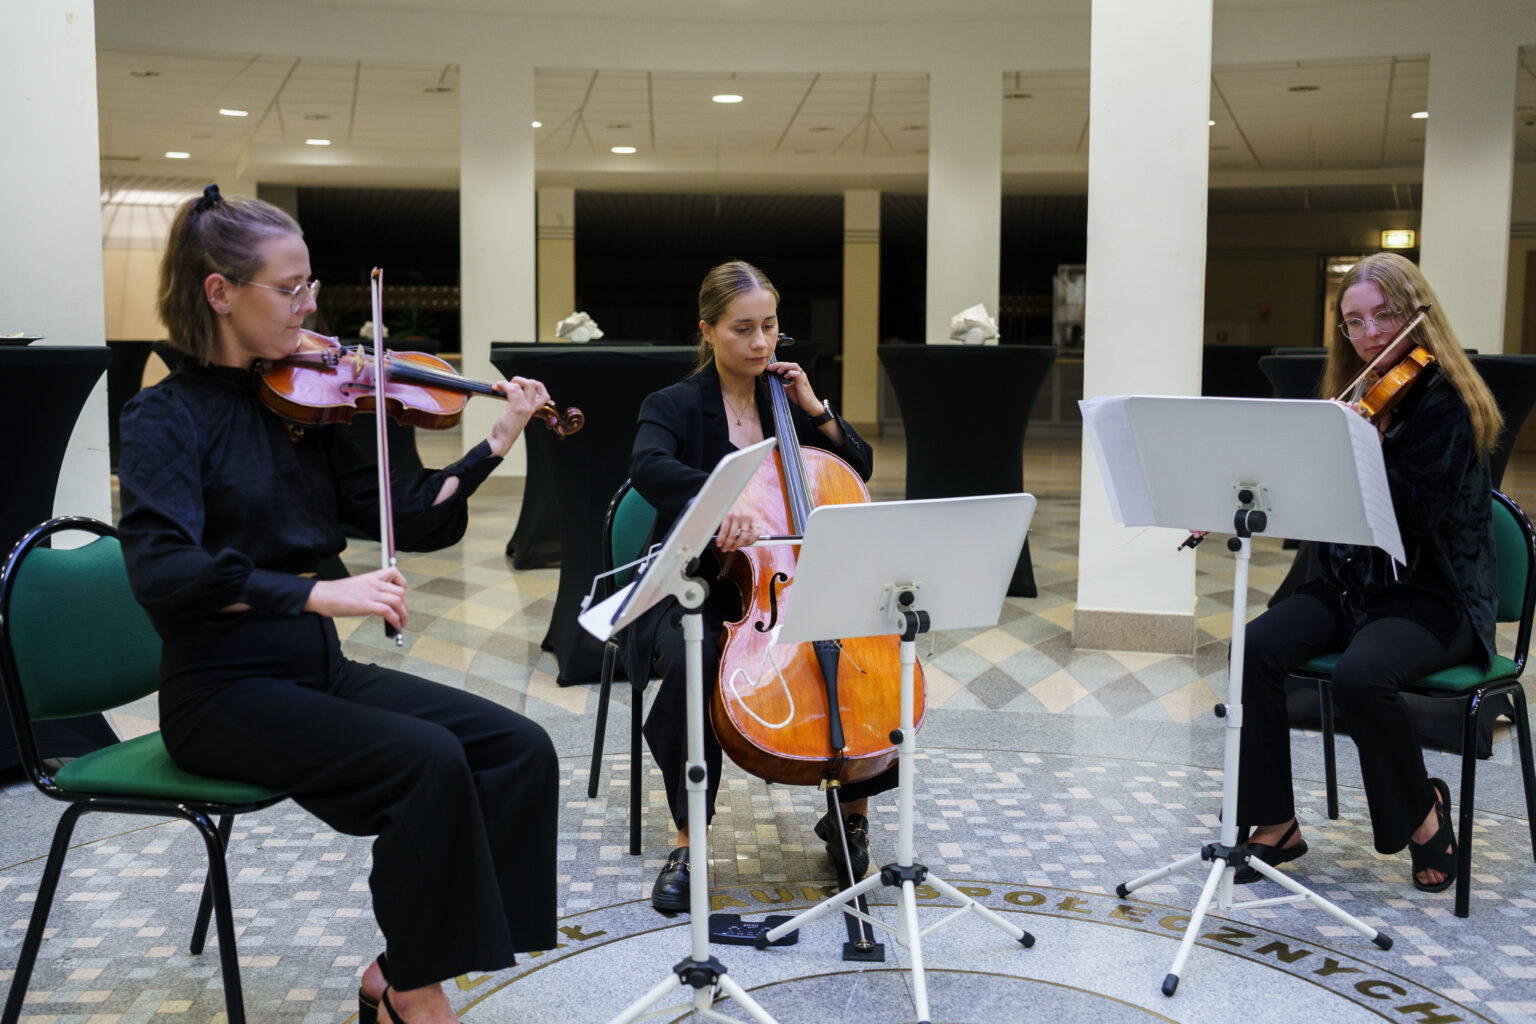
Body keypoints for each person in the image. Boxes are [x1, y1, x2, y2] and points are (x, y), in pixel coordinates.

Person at [116, 184, 558, 1024]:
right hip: (222, 693)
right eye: (292, 289)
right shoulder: (162, 418)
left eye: (311, 285)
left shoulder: (304, 406)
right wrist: (318, 592)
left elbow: (413, 519)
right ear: (220, 291)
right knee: (426, 761)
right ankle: (415, 995)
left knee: (519, 748)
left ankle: (397, 968)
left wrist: (497, 440)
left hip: (313, 673)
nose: (313, 307)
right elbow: (164, 572)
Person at [627, 260, 895, 911]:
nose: (759, 343)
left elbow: (854, 469)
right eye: (742, 329)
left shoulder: (788, 404)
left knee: (871, 659)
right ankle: (690, 842)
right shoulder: (673, 405)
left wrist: (816, 407)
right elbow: (648, 468)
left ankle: (850, 819)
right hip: (694, 587)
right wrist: (718, 498)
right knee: (699, 665)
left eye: (769, 327)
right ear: (709, 330)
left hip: (791, 584)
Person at [1235, 251, 1503, 893]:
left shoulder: (1450, 405)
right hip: (1353, 589)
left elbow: (1414, 514)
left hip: (1433, 597)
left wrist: (1365, 453)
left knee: (1361, 675)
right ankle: (1274, 822)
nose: (1372, 333)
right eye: (1355, 322)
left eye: (1385, 315)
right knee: (1255, 647)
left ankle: (1422, 815)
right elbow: (1320, 519)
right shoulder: (1349, 402)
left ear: (1417, 315)